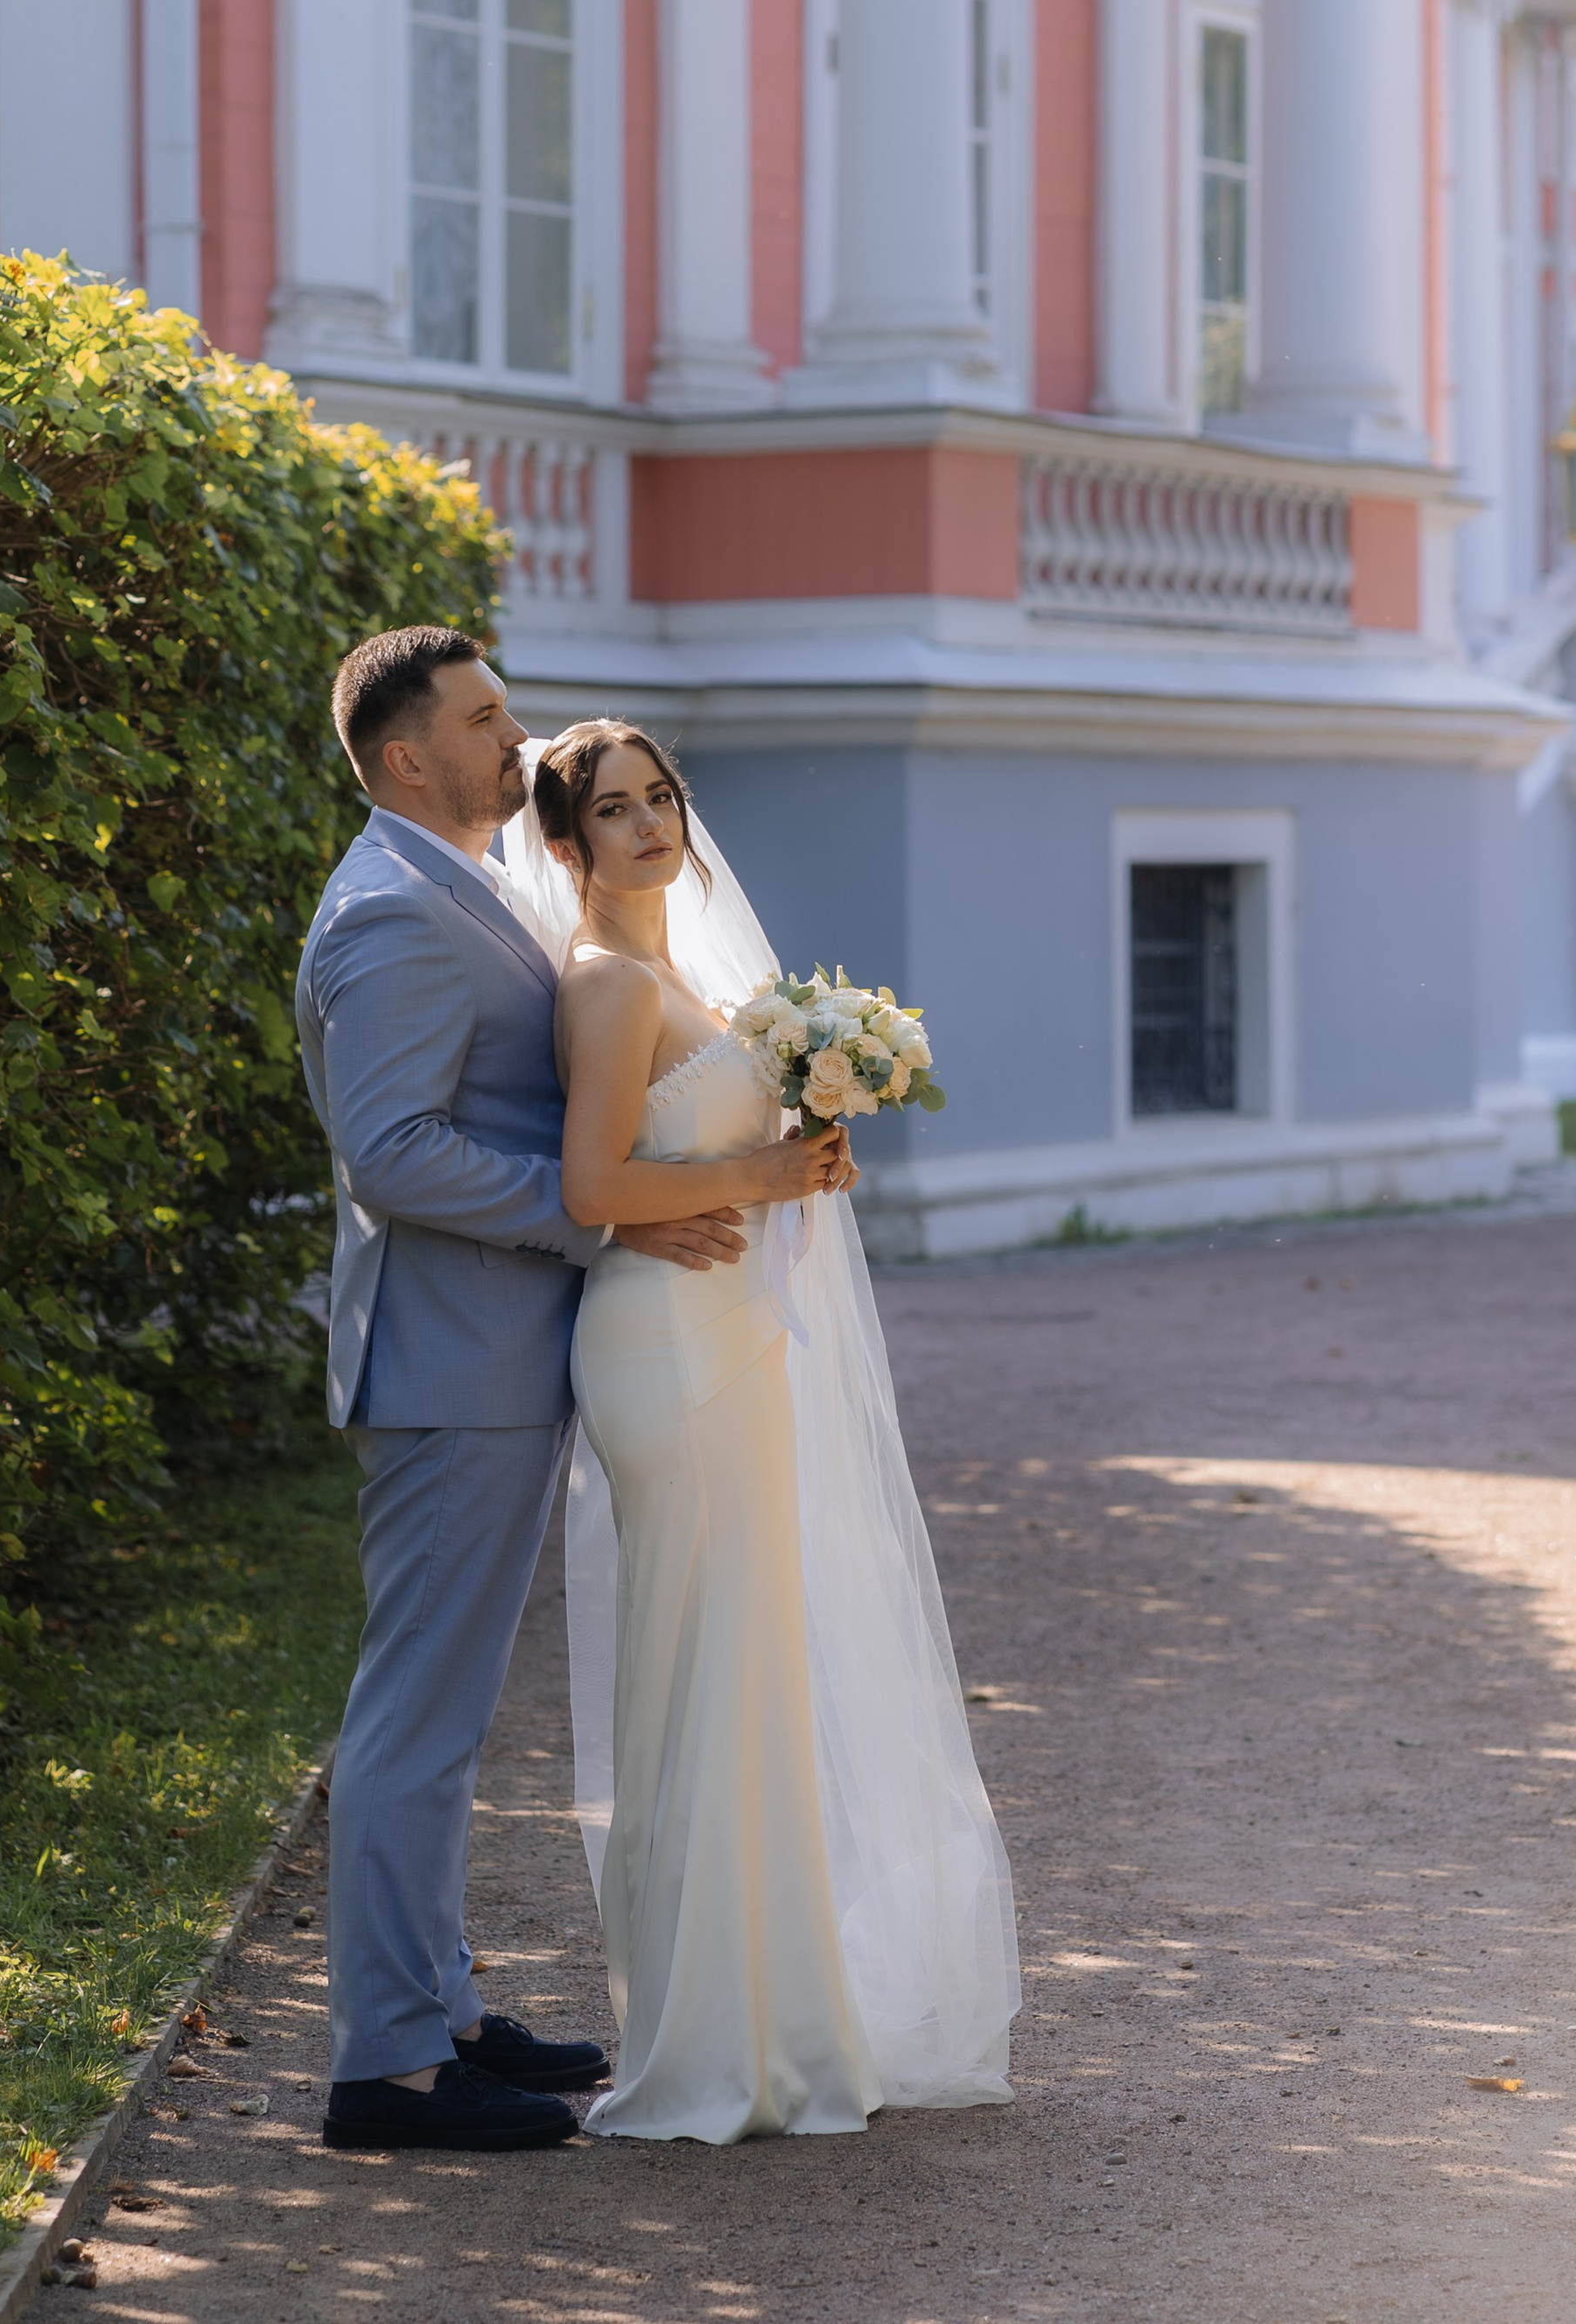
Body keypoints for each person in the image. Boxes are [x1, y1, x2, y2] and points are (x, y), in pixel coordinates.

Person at [295, 628, 844, 2155]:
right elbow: (392, 1152)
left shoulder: (457, 884)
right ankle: (390, 2071)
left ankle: (445, 2013)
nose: (513, 738)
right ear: (407, 757)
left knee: (449, 1712)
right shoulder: (388, 910)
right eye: (484, 720)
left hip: (493, 1348)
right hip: (448, 1361)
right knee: (418, 1715)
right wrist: (603, 1213)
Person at [501, 718, 1020, 2145]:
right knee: (703, 1674)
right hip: (666, 1351)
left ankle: (775, 2022)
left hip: (730, 1331)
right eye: (616, 809)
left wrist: (801, 1161)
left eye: (662, 796)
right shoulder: (607, 984)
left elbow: (696, 1164)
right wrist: (763, 1172)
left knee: (750, 1675)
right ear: (569, 844)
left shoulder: (687, 977)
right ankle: (705, 2038)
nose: (652, 825)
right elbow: (593, 1185)